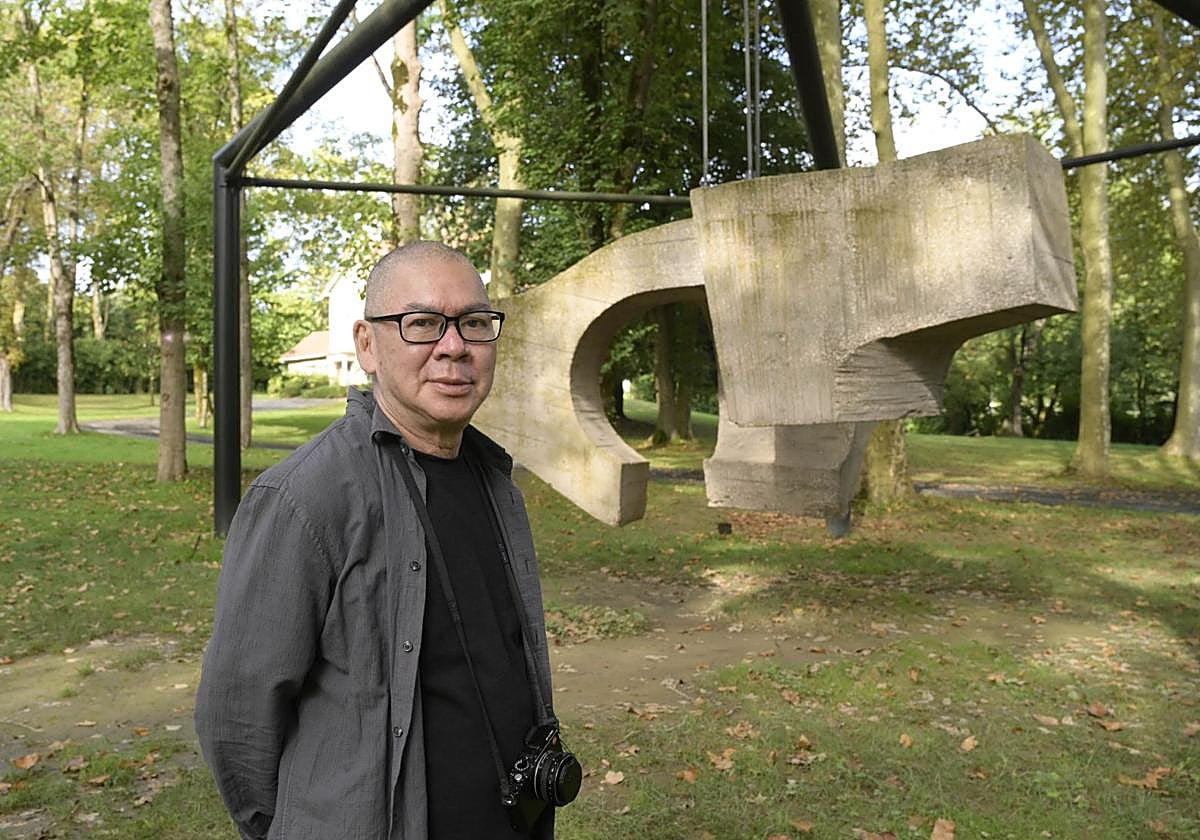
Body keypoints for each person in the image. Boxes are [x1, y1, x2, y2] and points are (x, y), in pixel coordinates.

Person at [195, 241, 562, 840]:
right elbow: (237, 718)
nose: (454, 347)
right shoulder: (304, 498)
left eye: (474, 322)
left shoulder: (495, 482)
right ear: (367, 345)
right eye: (421, 324)